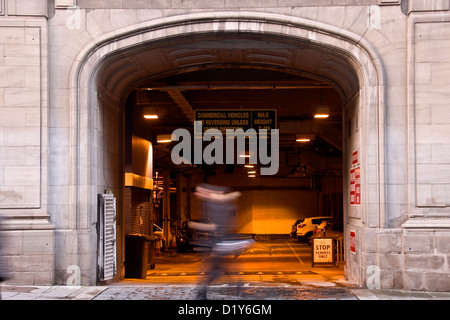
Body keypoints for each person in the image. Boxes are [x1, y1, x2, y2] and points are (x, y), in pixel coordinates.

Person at [193, 184, 254, 300]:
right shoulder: (218, 205)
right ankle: (238, 287)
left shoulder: (217, 206)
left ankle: (202, 293)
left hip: (221, 244)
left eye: (199, 192)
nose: (197, 195)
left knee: (217, 268)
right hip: (222, 244)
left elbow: (221, 226)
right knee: (223, 268)